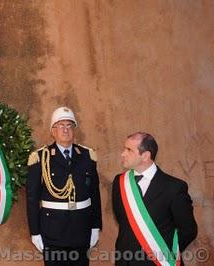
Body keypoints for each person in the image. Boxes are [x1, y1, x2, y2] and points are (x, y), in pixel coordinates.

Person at [26, 106, 102, 266]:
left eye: (69, 125)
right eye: (61, 125)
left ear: (74, 129)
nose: (65, 130)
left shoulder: (87, 156)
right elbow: (32, 198)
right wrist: (35, 232)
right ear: (52, 131)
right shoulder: (40, 157)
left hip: (82, 229)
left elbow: (94, 194)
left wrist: (96, 226)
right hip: (53, 231)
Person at [112, 132, 198, 265]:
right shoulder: (120, 182)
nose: (123, 154)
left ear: (145, 156)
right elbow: (122, 220)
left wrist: (164, 250)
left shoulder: (174, 187)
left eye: (129, 150)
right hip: (125, 261)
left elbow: (188, 230)